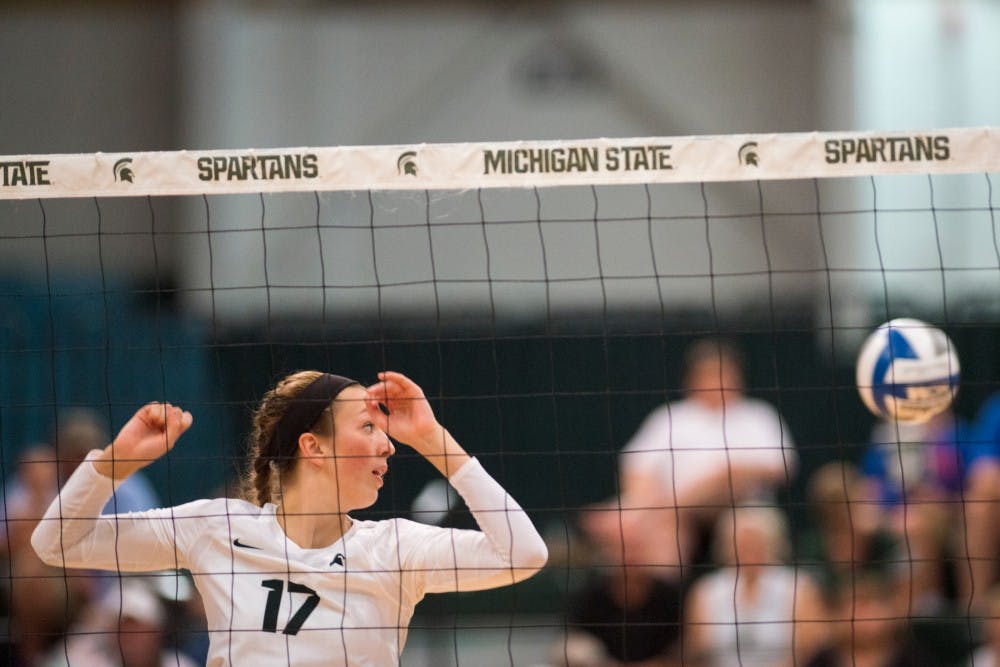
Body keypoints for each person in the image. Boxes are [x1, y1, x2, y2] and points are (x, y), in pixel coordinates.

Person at [32, 370, 548, 665]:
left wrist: (435, 439)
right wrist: (115, 462)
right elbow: (58, 543)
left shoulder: (394, 548)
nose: (389, 444)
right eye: (368, 426)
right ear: (313, 447)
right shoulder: (219, 529)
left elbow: (524, 553)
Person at [582, 337, 796, 578]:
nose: (715, 381)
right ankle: (669, 604)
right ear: (691, 379)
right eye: (706, 374)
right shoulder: (671, 417)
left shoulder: (757, 416)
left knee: (731, 480)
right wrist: (642, 499)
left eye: (721, 373)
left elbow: (781, 468)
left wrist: (722, 477)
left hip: (742, 507)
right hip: (675, 516)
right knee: (660, 533)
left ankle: (637, 511)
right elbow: (636, 469)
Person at [683, 505, 826, 667]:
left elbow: (810, 649)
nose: (747, 549)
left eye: (754, 541)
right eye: (740, 543)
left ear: (772, 543)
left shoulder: (797, 587)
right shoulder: (705, 591)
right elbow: (697, 653)